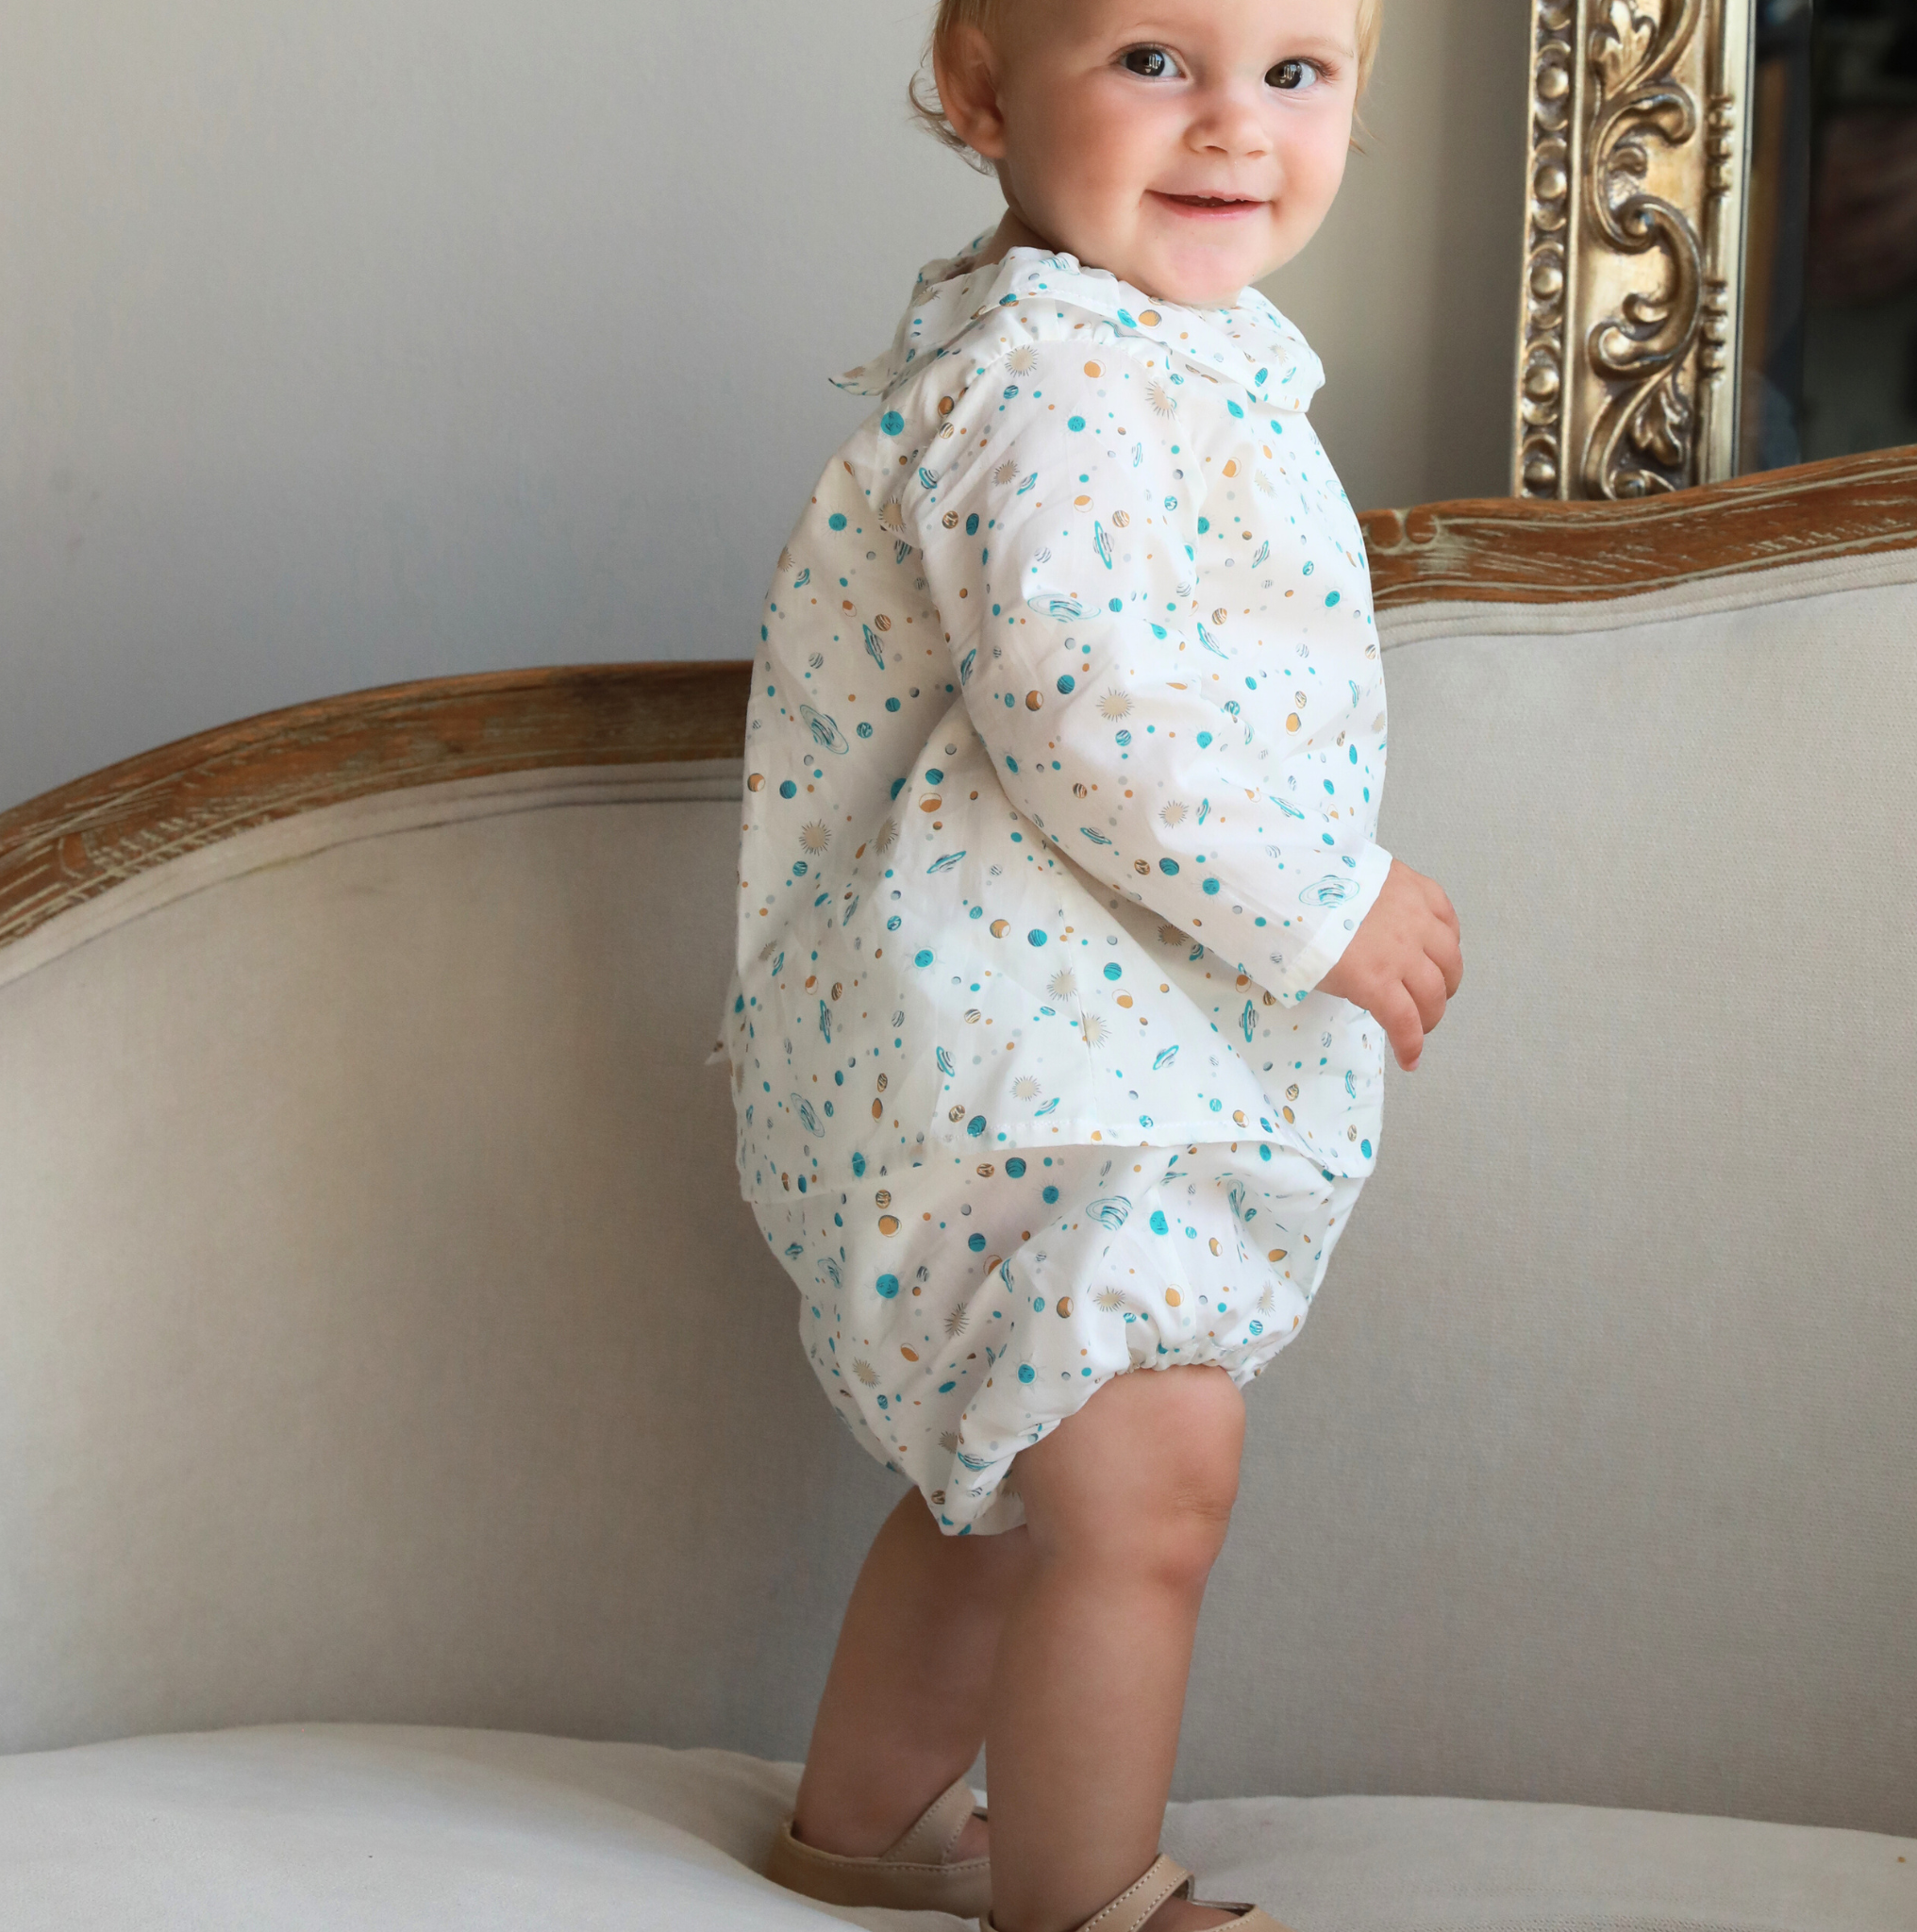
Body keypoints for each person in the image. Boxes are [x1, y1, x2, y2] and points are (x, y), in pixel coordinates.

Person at [725, 3, 1461, 1926]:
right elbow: (1085, 712)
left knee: (1019, 1480)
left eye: (1294, 73)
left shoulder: (1169, 361)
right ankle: (1083, 1891)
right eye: (1154, 58)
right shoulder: (1047, 386)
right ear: (980, 94)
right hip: (1024, 1061)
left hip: (1062, 1045)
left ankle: (859, 1832)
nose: (1232, 124)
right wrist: (1328, 902)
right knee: (1151, 1481)